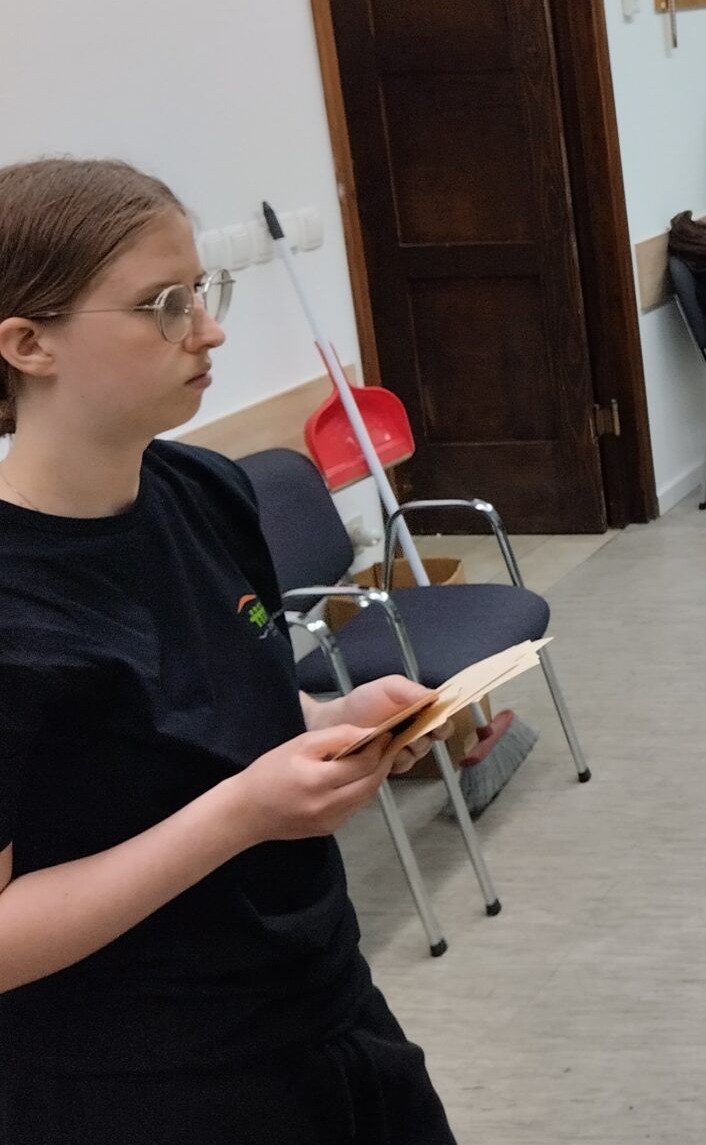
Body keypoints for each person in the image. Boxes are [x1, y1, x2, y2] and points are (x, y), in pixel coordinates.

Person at [0, 157, 456, 1145]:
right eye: (164, 305)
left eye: (202, 292)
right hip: (145, 1081)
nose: (208, 331)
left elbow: (236, 707)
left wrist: (338, 722)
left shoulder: (204, 489)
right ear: (29, 343)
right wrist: (242, 815)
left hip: (322, 1003)